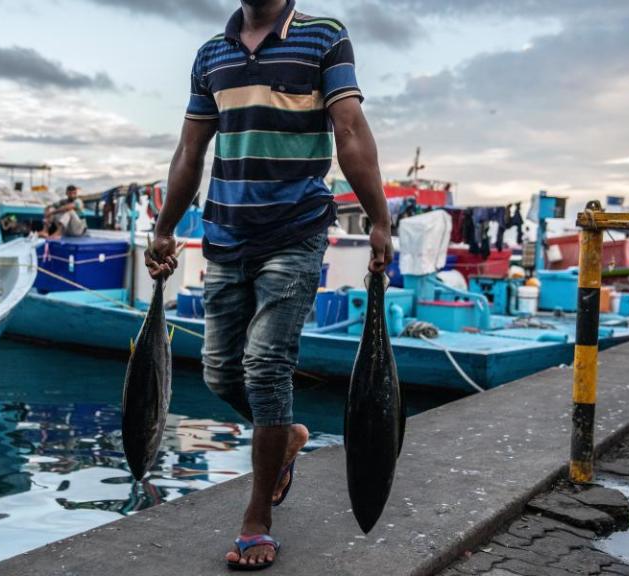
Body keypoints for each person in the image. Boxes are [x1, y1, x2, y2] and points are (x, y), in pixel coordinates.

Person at [144, 0, 392, 570]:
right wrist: (162, 229)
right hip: (226, 234)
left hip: (295, 229)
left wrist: (379, 218)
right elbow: (190, 151)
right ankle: (287, 437)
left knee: (265, 366)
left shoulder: (324, 37)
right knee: (219, 370)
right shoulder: (211, 55)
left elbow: (350, 131)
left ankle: (256, 519)